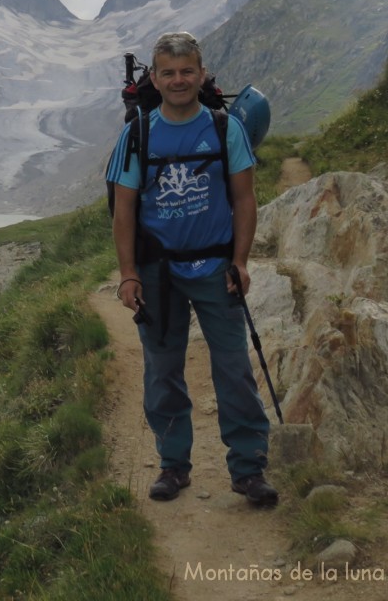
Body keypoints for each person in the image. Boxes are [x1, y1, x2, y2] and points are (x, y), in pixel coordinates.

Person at [106, 31, 278, 506]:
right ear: (155, 79)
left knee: (234, 369)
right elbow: (124, 210)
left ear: (201, 75)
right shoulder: (138, 134)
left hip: (216, 267)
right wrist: (128, 273)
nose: (178, 80)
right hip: (157, 273)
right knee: (163, 371)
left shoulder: (225, 129)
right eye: (168, 72)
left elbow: (244, 199)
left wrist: (240, 260)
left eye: (186, 72)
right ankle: (172, 466)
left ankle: (249, 470)